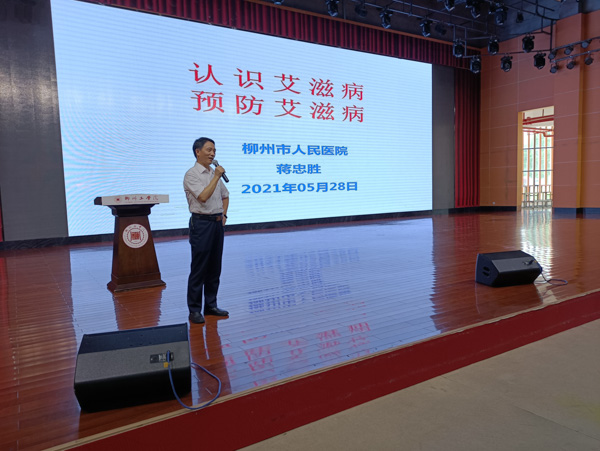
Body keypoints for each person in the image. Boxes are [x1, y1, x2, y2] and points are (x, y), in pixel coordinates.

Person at [183, 137, 230, 324]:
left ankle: (211, 305)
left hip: (217, 224)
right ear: (198, 152)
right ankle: (194, 310)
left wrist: (224, 215)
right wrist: (216, 176)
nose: (213, 154)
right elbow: (202, 197)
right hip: (201, 224)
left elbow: (225, 196)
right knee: (199, 268)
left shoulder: (212, 173)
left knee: (214, 267)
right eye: (209, 150)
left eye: (214, 151)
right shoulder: (192, 174)